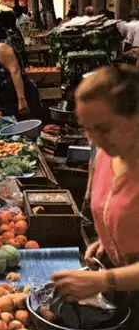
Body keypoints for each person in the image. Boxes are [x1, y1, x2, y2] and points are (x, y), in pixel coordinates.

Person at [52, 64, 139, 300]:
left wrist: (105, 281)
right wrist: (109, 241)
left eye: (103, 129)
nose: (94, 140)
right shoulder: (105, 157)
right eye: (86, 129)